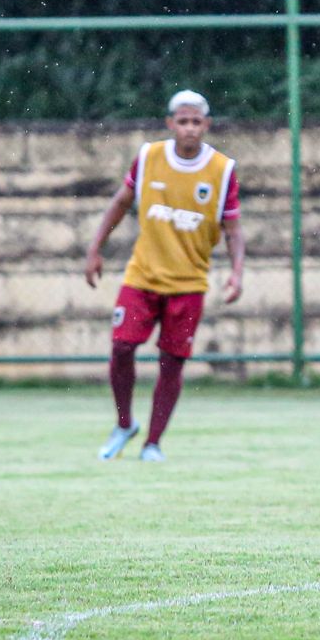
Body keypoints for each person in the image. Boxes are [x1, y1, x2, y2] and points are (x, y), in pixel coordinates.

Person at [83, 89, 245, 462]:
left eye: (196, 122)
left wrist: (237, 273)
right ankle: (124, 424)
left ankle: (153, 443)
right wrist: (95, 249)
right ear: (170, 123)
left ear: (206, 125)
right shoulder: (149, 157)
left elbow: (234, 229)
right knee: (122, 347)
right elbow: (120, 203)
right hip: (142, 278)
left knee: (171, 362)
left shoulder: (222, 170)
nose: (189, 128)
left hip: (189, 284)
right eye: (182, 121)